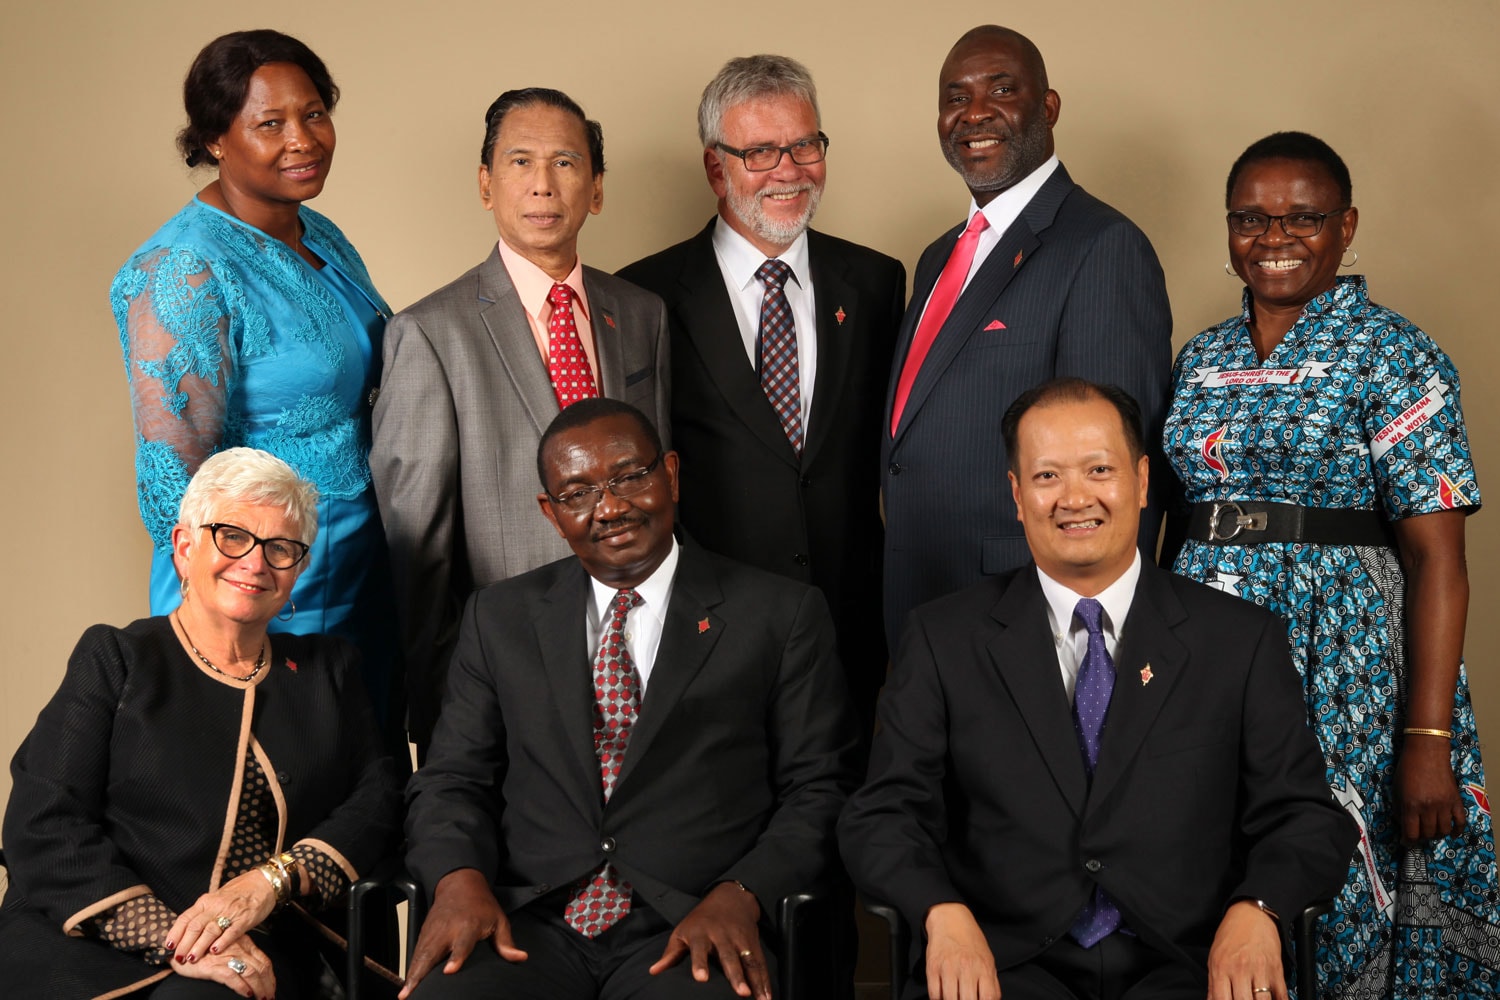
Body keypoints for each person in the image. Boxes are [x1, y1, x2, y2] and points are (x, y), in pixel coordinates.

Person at [841, 379, 1356, 1000]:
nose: (1075, 498)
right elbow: (883, 814)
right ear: (1017, 495)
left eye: (1099, 470)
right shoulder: (943, 637)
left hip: (1187, 964)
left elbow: (1306, 817)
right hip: (1001, 966)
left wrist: (1259, 908)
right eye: (1047, 476)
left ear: (1141, 481)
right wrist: (940, 911)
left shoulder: (1239, 639)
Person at [1163, 131, 1495, 998]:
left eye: (1302, 218)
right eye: (1250, 218)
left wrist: (1426, 739)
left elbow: (1438, 561)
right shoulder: (1200, 357)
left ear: (1346, 227)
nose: (1273, 238)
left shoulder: (1398, 355)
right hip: (1203, 647)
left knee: (1338, 881)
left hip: (1343, 665)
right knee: (1202, 856)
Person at [399, 398, 861, 1000]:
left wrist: (743, 892)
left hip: (694, 920)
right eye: (578, 493)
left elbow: (821, 788)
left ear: (670, 474)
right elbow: (451, 779)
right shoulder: (498, 617)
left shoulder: (780, 614)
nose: (610, 507)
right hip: (529, 921)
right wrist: (458, 881)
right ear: (551, 512)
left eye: (629, 477)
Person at [0, 448, 402, 999]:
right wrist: (173, 938)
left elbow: (379, 798)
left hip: (261, 944)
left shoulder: (329, 670)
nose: (256, 563)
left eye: (280, 548)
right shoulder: (115, 658)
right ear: (185, 548)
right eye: (232, 536)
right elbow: (44, 821)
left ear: (299, 570)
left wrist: (274, 880)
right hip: (97, 939)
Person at [110, 30, 401, 736]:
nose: (303, 140)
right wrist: (245, 605)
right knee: (275, 770)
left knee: (369, 775)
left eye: (314, 114)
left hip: (363, 568)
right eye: (270, 123)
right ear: (215, 138)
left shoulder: (317, 231)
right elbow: (173, 491)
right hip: (269, 587)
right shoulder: (180, 271)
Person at [370, 88, 671, 755]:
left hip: (645, 648)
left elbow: (662, 488)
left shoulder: (641, 314)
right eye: (520, 162)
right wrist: (445, 709)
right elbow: (418, 555)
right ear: (486, 184)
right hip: (506, 669)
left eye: (565, 163)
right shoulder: (429, 333)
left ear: (596, 188)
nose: (543, 184)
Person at [618, 55, 905, 733]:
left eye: (805, 144)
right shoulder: (644, 296)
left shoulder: (876, 282)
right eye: (760, 152)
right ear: (716, 168)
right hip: (710, 631)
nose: (789, 170)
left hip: (851, 632)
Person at [880, 25, 1172, 651]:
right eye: (956, 97)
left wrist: (1098, 641)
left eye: (1002, 90)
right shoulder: (938, 257)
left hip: (1029, 616)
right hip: (922, 600)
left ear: (1049, 107)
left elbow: (1114, 477)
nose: (974, 113)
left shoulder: (1103, 246)